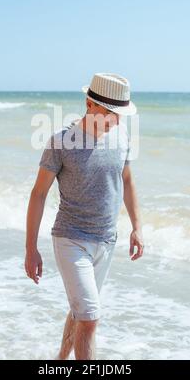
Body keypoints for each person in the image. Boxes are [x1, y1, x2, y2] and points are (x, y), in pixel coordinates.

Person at [25, 72, 144, 360]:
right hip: (71, 239)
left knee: (82, 313)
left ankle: (60, 360)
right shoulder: (61, 142)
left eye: (120, 115)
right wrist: (31, 248)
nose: (116, 120)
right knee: (90, 317)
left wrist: (137, 227)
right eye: (111, 113)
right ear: (90, 104)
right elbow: (38, 194)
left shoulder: (122, 136)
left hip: (106, 240)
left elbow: (126, 181)